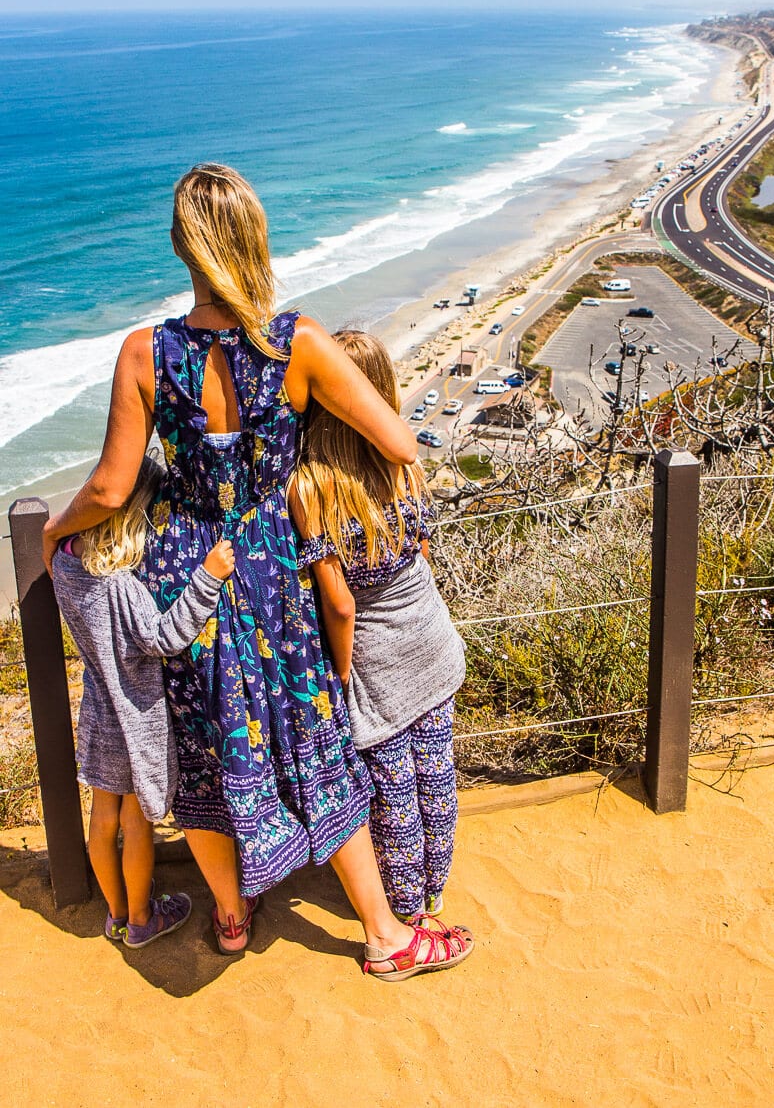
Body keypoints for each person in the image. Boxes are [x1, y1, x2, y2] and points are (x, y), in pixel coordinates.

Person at [43, 163, 472, 977]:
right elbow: (400, 442)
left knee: (207, 747)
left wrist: (55, 533)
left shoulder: (144, 352)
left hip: (188, 575)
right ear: (255, 240)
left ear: (181, 245)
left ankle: (232, 915)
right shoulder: (297, 341)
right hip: (276, 572)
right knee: (315, 737)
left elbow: (108, 486)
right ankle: (385, 936)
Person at [289, 330, 466, 925]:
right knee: (435, 772)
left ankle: (406, 905)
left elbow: (339, 604)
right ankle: (434, 888)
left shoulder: (311, 486)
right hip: (429, 633)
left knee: (393, 790)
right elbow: (417, 546)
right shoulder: (403, 463)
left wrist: (340, 672)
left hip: (378, 656)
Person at [51, 455, 235, 948]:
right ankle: (140, 919)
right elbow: (165, 636)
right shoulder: (123, 587)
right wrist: (208, 577)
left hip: (96, 710)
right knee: (134, 824)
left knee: (102, 816)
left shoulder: (66, 562)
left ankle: (113, 913)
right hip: (133, 717)